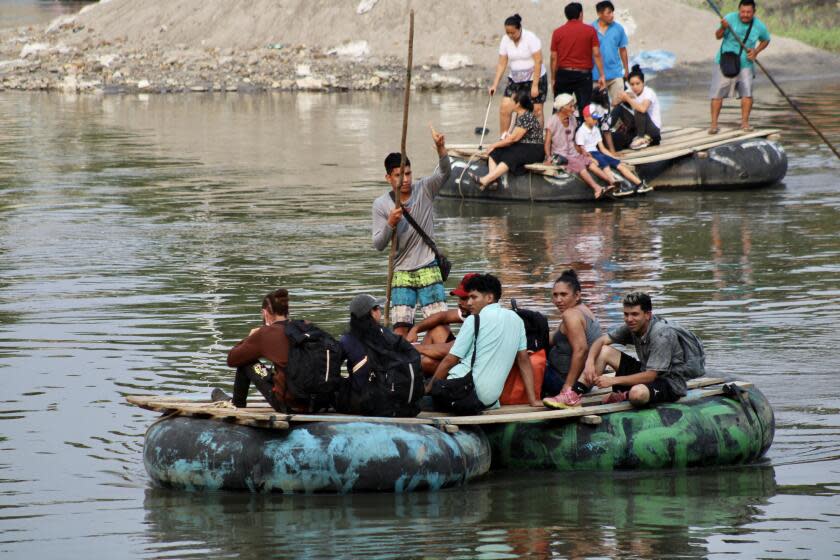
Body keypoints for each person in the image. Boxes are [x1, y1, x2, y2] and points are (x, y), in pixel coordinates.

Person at [372, 127, 450, 337]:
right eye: (398, 175)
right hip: (401, 271)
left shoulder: (424, 189)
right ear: (388, 177)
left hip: (428, 266)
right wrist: (390, 223)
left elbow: (445, 173)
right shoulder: (381, 204)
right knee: (400, 328)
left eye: (407, 173)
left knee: (439, 323)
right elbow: (378, 244)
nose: (405, 180)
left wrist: (441, 149)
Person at [426, 274, 542, 409]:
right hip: (489, 401)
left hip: (462, 393)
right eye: (468, 297)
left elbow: (450, 360)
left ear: (489, 298)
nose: (469, 303)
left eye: (474, 297)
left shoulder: (474, 320)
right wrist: (533, 400)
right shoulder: (517, 320)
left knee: (417, 397)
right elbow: (524, 361)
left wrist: (429, 388)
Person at [582, 292, 705, 407]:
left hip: (669, 383)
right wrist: (589, 362)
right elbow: (601, 341)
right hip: (645, 371)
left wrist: (612, 380)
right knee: (604, 350)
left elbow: (651, 376)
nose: (629, 319)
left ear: (647, 315)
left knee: (637, 394)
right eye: (626, 314)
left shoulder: (661, 334)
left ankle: (625, 395)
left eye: (635, 314)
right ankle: (576, 392)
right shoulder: (632, 326)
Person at [220, 288, 306, 412]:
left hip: (290, 404)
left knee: (246, 362)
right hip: (319, 400)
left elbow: (232, 359)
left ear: (265, 313)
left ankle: (237, 405)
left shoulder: (265, 333)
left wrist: (249, 339)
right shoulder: (306, 326)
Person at [338, 294, 423, 416]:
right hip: (392, 399)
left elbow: (334, 367)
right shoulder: (388, 335)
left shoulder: (347, 340)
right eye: (377, 308)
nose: (380, 311)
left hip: (364, 401)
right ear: (370, 313)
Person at [542, 270, 602, 409]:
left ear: (577, 295)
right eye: (555, 295)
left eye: (563, 295)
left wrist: (567, 387)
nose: (558, 300)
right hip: (582, 382)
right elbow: (552, 338)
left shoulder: (571, 315)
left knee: (528, 362)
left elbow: (581, 350)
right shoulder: (582, 310)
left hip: (566, 382)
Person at [709, 0, 771, 134]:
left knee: (747, 94)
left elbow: (766, 40)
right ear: (739, 11)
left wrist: (756, 52)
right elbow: (717, 36)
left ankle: (745, 124)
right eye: (743, 12)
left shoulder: (759, 26)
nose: (745, 15)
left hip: (746, 64)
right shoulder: (729, 18)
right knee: (717, 94)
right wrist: (723, 27)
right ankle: (713, 125)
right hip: (725, 61)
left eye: (748, 12)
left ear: (754, 12)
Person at [467, 90, 544, 190]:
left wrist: (493, 144)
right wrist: (495, 146)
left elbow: (513, 139)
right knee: (495, 152)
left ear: (518, 104)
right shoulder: (519, 116)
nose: (510, 103)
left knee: (511, 155)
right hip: (523, 146)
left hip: (534, 149)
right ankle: (493, 181)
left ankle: (485, 180)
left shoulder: (527, 117)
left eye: (512, 101)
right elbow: (513, 138)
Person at [405, 273, 477, 375]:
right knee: (437, 327)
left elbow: (451, 350)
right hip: (460, 355)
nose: (459, 303)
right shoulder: (470, 311)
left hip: (470, 368)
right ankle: (414, 365)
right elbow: (442, 317)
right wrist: (415, 329)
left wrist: (412, 348)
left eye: (464, 298)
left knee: (426, 362)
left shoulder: (478, 319)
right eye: (459, 298)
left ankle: (418, 373)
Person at [488, 13, 548, 136]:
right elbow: (501, 64)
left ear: (519, 28)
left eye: (513, 33)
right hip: (515, 79)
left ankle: (537, 139)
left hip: (535, 77)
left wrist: (535, 85)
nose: (510, 36)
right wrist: (494, 84)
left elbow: (538, 61)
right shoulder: (505, 40)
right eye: (507, 33)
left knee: (536, 110)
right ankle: (504, 139)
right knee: (505, 107)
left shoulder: (530, 38)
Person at [545, 93, 611, 200]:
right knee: (579, 165)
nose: (573, 108)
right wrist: (548, 157)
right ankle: (597, 188)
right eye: (570, 106)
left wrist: (583, 152)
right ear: (562, 108)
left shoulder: (573, 120)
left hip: (573, 152)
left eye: (573, 106)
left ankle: (611, 182)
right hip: (560, 155)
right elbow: (547, 142)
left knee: (590, 162)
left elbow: (574, 142)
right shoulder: (552, 121)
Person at [576, 104, 651, 196]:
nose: (595, 121)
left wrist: (614, 158)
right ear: (586, 117)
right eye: (593, 118)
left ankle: (639, 184)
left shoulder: (596, 129)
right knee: (606, 166)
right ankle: (615, 186)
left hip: (598, 153)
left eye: (596, 119)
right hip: (591, 153)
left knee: (619, 165)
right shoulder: (581, 131)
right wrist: (591, 159)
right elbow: (581, 150)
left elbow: (603, 148)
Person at [550, 2, 606, 115]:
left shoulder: (557, 32)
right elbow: (596, 53)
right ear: (581, 14)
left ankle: (556, 131)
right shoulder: (590, 31)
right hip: (583, 75)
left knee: (560, 107)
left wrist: (553, 77)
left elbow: (553, 57)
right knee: (585, 108)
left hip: (563, 74)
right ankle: (583, 132)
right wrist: (602, 75)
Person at [611, 64, 662, 150]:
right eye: (632, 84)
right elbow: (613, 103)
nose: (635, 87)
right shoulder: (630, 91)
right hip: (639, 125)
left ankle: (641, 137)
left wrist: (628, 99)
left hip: (652, 129)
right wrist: (621, 97)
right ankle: (607, 128)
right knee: (619, 108)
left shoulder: (649, 92)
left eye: (637, 84)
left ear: (643, 83)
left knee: (639, 110)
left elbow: (642, 109)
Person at [591, 1, 630, 107]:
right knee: (596, 109)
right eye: (608, 13)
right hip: (595, 76)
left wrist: (626, 70)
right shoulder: (590, 29)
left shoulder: (618, 29)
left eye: (612, 12)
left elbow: (623, 49)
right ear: (599, 14)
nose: (612, 15)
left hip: (615, 74)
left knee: (619, 107)